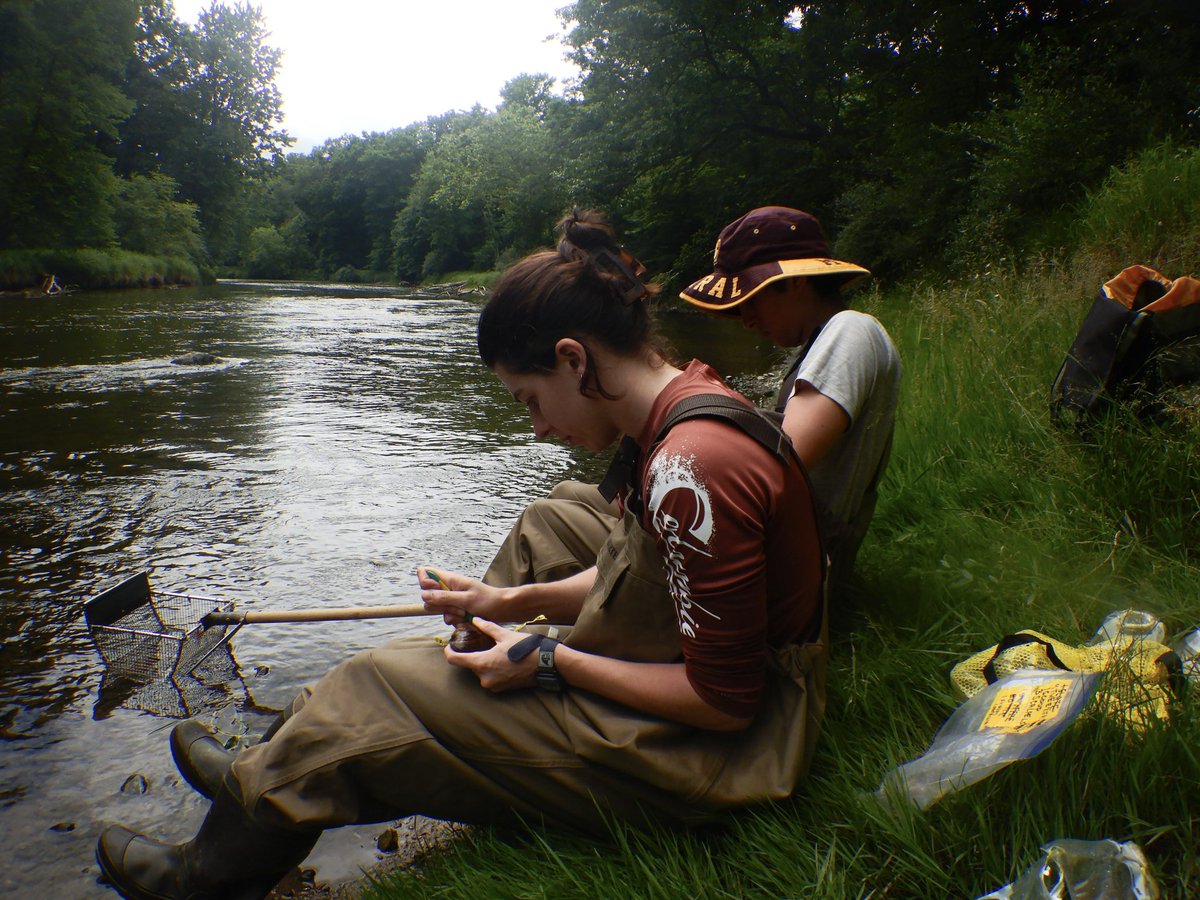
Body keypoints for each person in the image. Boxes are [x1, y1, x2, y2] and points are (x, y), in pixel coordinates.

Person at [95, 210, 829, 900]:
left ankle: (205, 877)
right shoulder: (681, 411)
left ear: (573, 359)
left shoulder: (690, 470)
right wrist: (503, 604)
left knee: (375, 677)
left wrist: (549, 659)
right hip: (708, 723)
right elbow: (633, 577)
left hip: (717, 764)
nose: (537, 427)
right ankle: (278, 768)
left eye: (528, 398)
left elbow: (725, 706)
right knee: (397, 670)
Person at [488, 205, 900, 598]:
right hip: (774, 537)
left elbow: (776, 462)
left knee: (543, 521)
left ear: (794, 281)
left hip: (789, 561)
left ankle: (487, 626)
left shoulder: (851, 331)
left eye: (749, 300)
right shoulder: (815, 346)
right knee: (566, 491)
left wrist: (678, 435)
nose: (745, 319)